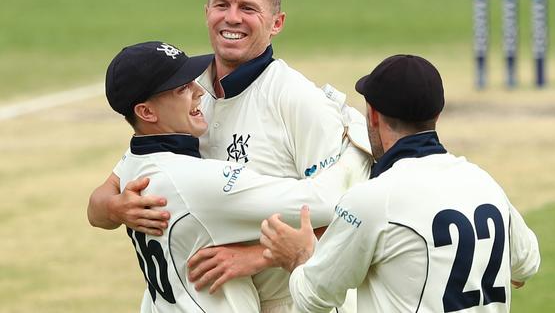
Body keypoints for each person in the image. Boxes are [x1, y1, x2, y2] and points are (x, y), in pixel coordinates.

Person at [87, 0, 358, 312]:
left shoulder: (299, 101)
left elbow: (347, 213)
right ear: (206, 12)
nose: (232, 18)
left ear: (276, 23)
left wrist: (259, 256)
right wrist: (117, 207)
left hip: (290, 301)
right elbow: (101, 202)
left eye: (248, 8)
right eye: (222, 5)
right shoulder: (183, 89)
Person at [102, 41, 371, 312]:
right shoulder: (196, 181)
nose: (198, 91)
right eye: (182, 88)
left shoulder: (135, 166)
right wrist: (359, 143)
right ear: (146, 112)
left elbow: (97, 205)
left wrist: (109, 207)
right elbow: (324, 201)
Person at [260, 54, 541, 312]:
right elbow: (526, 265)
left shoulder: (371, 199)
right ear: (437, 116)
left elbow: (313, 298)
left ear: (372, 115)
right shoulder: (483, 182)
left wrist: (298, 257)